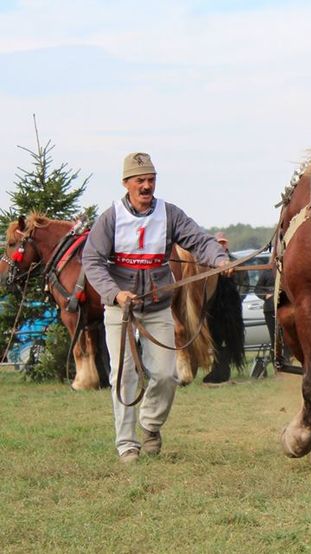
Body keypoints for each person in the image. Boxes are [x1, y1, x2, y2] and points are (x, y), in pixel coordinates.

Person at [83, 152, 231, 463]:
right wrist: (114, 293)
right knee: (122, 376)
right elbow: (92, 261)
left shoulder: (169, 214)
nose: (147, 185)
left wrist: (218, 258)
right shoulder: (110, 219)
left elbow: (198, 239)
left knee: (166, 375)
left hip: (157, 306)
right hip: (120, 310)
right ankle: (127, 444)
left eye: (151, 179)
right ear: (126, 183)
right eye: (140, 180)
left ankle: (149, 424)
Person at [202, 231, 244, 384]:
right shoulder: (208, 263)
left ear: (227, 244)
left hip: (231, 306)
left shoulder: (235, 261)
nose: (221, 245)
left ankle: (224, 369)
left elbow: (242, 282)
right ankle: (219, 370)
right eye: (218, 243)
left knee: (231, 338)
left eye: (223, 242)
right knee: (216, 338)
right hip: (215, 307)